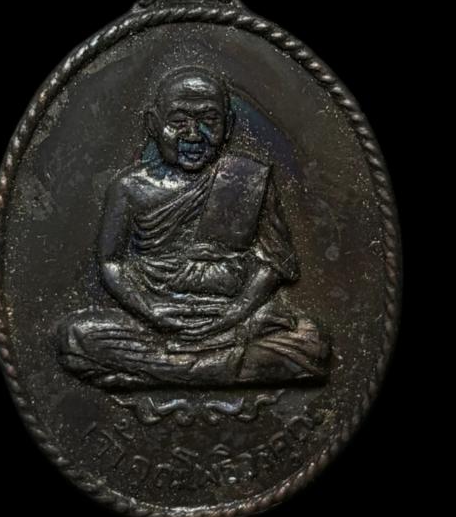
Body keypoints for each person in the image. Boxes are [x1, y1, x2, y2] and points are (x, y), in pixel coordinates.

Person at [58, 66, 330, 386]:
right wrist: (151, 311)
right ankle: (214, 370)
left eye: (208, 120)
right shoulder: (130, 188)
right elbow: (111, 263)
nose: (193, 134)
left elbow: (276, 262)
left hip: (231, 316)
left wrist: (235, 312)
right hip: (156, 317)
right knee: (76, 337)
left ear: (228, 126)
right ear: (153, 125)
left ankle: (160, 370)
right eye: (178, 122)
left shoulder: (246, 179)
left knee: (311, 344)